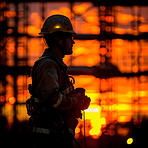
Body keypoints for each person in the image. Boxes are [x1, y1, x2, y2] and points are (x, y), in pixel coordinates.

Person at [26, 14, 90, 148]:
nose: (73, 42)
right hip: (48, 139)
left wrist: (79, 101)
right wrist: (75, 102)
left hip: (56, 136)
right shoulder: (48, 65)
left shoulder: (56, 65)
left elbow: (59, 98)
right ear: (57, 39)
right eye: (69, 37)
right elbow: (52, 98)